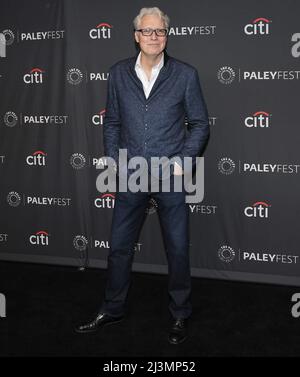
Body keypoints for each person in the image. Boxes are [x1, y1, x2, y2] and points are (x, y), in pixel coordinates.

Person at [75, 6, 209, 345]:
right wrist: (114, 161)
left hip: (171, 175)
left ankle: (180, 314)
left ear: (166, 36)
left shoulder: (185, 74)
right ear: (136, 36)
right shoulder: (118, 73)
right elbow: (113, 122)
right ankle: (112, 308)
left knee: (177, 249)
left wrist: (181, 164)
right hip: (130, 173)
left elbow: (200, 124)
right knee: (119, 247)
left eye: (160, 31)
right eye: (147, 31)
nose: (154, 37)